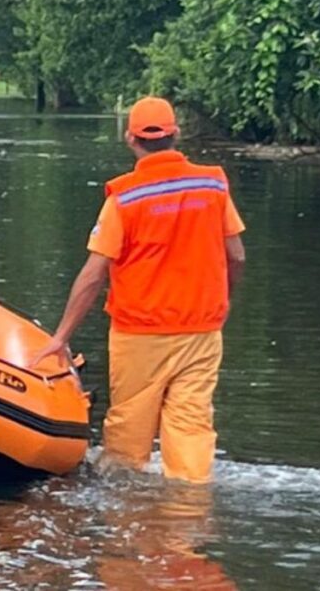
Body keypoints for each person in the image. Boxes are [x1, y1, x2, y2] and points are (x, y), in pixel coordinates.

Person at [31, 96, 246, 484]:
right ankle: (188, 518)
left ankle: (131, 528)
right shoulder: (213, 184)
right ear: (175, 134)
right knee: (192, 431)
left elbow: (94, 275)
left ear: (130, 138)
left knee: (128, 442)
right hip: (202, 330)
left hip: (140, 334)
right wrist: (224, 301)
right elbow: (238, 256)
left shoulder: (125, 199)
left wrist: (61, 336)